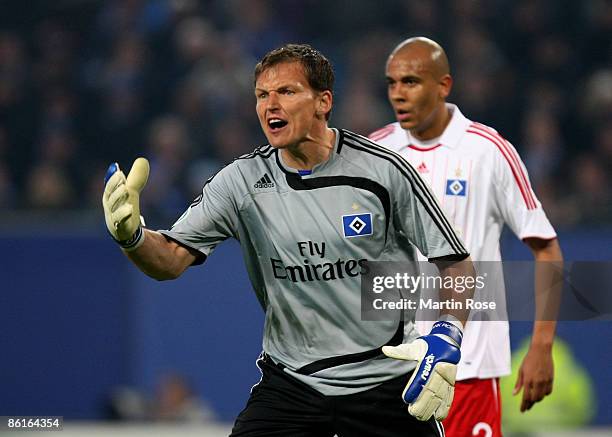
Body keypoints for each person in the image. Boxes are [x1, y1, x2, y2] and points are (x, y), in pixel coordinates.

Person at [102, 43, 476, 436]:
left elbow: (455, 262)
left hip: (385, 383)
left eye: (287, 92)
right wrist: (132, 237)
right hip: (293, 386)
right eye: (262, 95)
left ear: (323, 102)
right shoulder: (240, 183)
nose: (270, 106)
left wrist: (448, 332)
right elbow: (170, 259)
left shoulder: (384, 172)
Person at [369, 37, 564, 437]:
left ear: (443, 86)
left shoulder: (487, 151)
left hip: (467, 367)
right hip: (390, 368)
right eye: (391, 83)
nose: (398, 94)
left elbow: (545, 248)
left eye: (411, 82)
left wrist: (542, 346)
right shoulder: (376, 151)